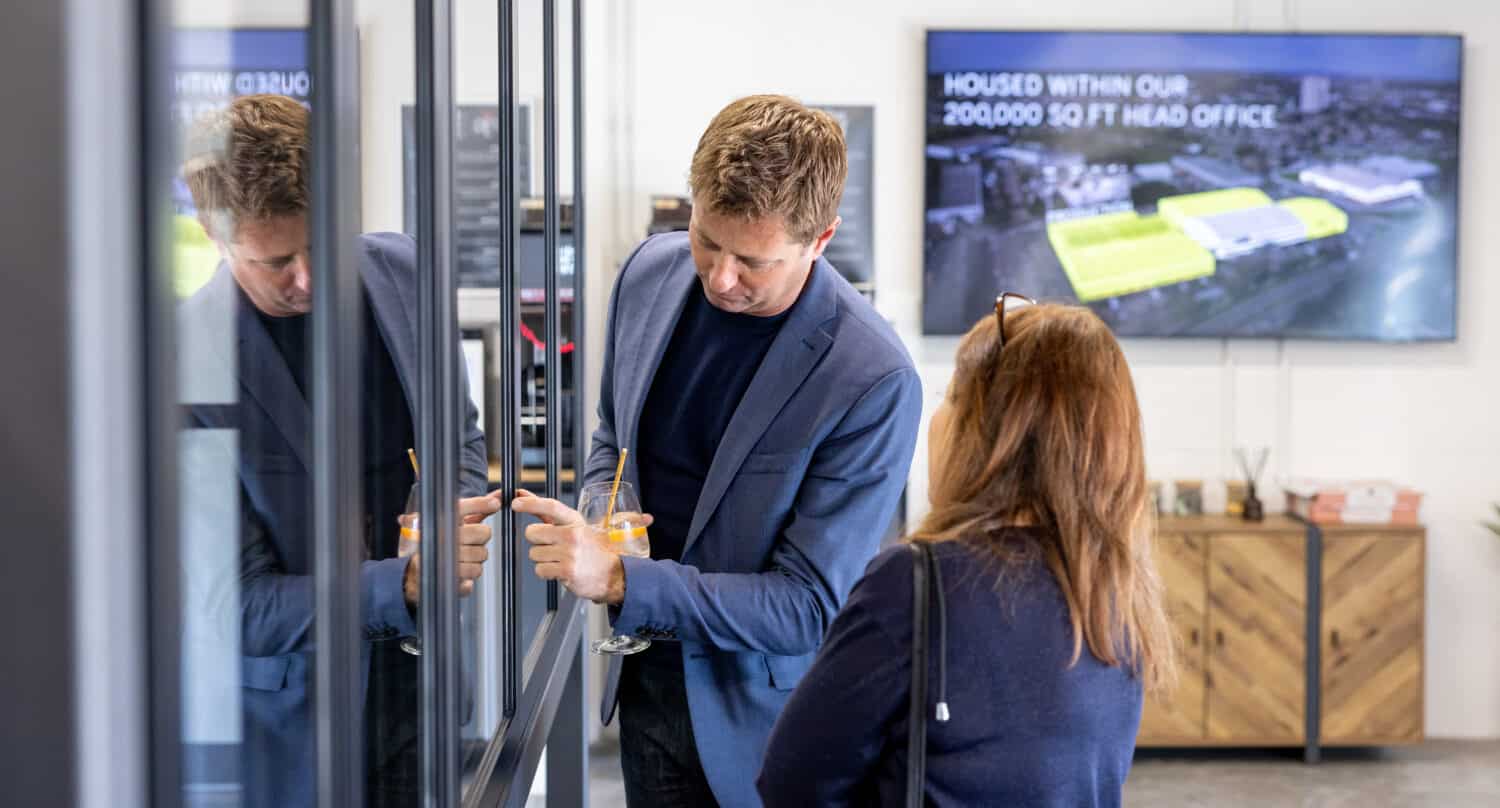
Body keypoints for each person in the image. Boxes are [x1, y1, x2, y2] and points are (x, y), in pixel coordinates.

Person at [512, 95, 922, 808]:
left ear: (819, 239)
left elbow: (809, 605)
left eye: (752, 261)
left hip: (766, 730)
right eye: (706, 239)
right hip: (644, 686)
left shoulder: (872, 378)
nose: (719, 278)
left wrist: (620, 581)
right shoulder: (647, 272)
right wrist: (606, 514)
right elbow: (613, 434)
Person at [177, 94, 498, 808]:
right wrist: (404, 584)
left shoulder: (406, 271)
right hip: (297, 735)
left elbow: (462, 439)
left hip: (426, 692)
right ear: (213, 232)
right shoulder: (179, 363)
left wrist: (450, 513)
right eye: (278, 261)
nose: (309, 280)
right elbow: (238, 606)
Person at [757, 297, 1176, 807]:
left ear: (996, 436)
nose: (937, 419)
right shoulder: (1115, 588)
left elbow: (793, 781)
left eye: (951, 396)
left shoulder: (917, 583)